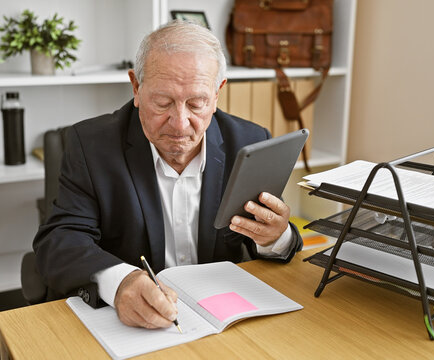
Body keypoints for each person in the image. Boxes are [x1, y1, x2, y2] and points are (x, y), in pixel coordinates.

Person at [33, 20, 303, 330]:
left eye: (196, 103)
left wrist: (276, 237)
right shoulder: (90, 145)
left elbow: (276, 243)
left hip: (222, 319)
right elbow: (58, 241)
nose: (179, 123)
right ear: (136, 88)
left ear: (217, 94)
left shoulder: (251, 142)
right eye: (163, 103)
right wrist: (120, 282)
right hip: (131, 325)